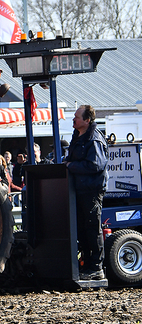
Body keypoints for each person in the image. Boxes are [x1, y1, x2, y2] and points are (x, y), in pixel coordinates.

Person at [65, 105, 108, 281]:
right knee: (82, 228)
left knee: (92, 228)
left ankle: (96, 267)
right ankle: (87, 264)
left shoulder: (94, 139)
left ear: (87, 120)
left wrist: (70, 166)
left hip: (91, 190)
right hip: (80, 189)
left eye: (76, 117)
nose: (73, 119)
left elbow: (96, 165)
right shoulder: (78, 136)